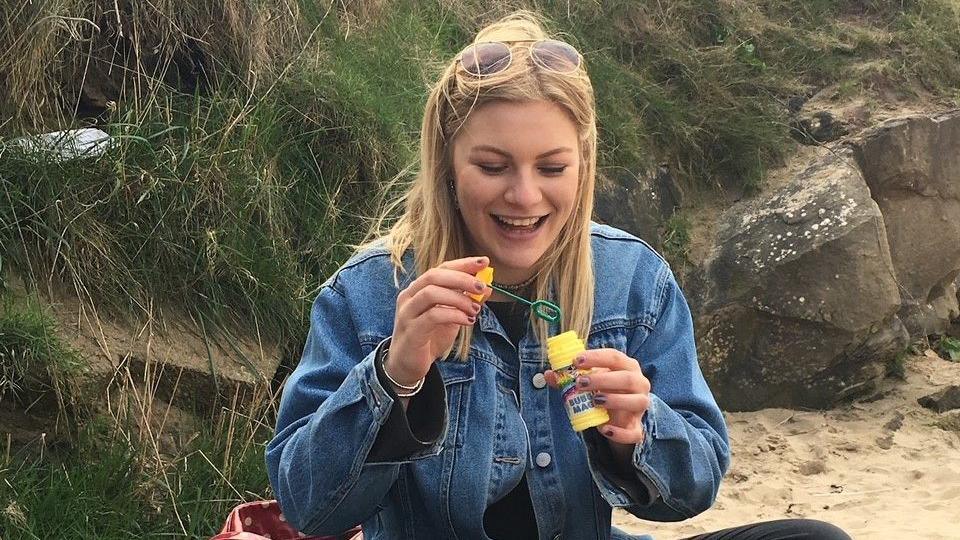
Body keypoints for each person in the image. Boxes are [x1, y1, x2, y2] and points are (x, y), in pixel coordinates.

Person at [266, 11, 851, 540]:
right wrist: (396, 377)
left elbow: (695, 490)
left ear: (584, 163)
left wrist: (635, 431)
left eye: (552, 167)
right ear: (448, 163)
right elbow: (308, 508)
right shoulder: (367, 292)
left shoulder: (633, 282)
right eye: (492, 166)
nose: (524, 196)